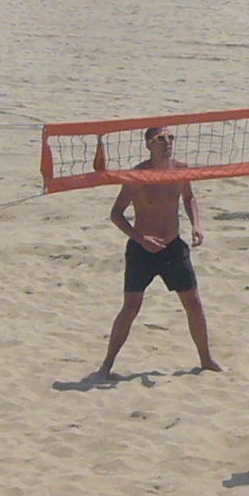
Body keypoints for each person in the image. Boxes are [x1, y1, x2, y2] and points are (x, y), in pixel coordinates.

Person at [98, 126, 222, 376]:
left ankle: (206, 359)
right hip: (142, 248)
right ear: (148, 145)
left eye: (170, 137)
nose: (167, 143)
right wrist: (140, 238)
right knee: (131, 306)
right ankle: (107, 364)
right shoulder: (138, 175)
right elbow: (116, 214)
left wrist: (196, 225)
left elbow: (189, 198)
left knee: (194, 303)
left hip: (173, 246)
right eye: (160, 139)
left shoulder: (180, 169)